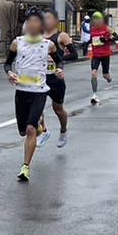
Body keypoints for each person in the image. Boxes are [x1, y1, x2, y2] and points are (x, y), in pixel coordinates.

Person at [4, 8, 64, 181]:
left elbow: (59, 59)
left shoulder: (48, 45)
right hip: (21, 92)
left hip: (39, 92)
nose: (32, 24)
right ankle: (38, 125)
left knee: (30, 130)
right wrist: (10, 74)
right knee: (23, 131)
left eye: (36, 21)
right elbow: (7, 64)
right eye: (30, 21)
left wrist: (59, 69)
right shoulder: (17, 43)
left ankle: (25, 166)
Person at [36, 8, 77, 149]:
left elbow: (74, 54)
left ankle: (63, 131)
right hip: (40, 78)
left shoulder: (61, 36)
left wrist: (57, 59)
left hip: (56, 78)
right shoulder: (37, 36)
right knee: (37, 107)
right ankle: (44, 131)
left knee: (58, 109)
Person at [89, 11, 118, 105]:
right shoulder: (92, 29)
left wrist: (107, 40)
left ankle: (109, 77)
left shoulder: (107, 28)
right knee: (94, 73)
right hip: (95, 55)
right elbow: (92, 39)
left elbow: (117, 37)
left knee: (105, 75)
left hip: (105, 54)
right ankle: (94, 94)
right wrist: (86, 43)